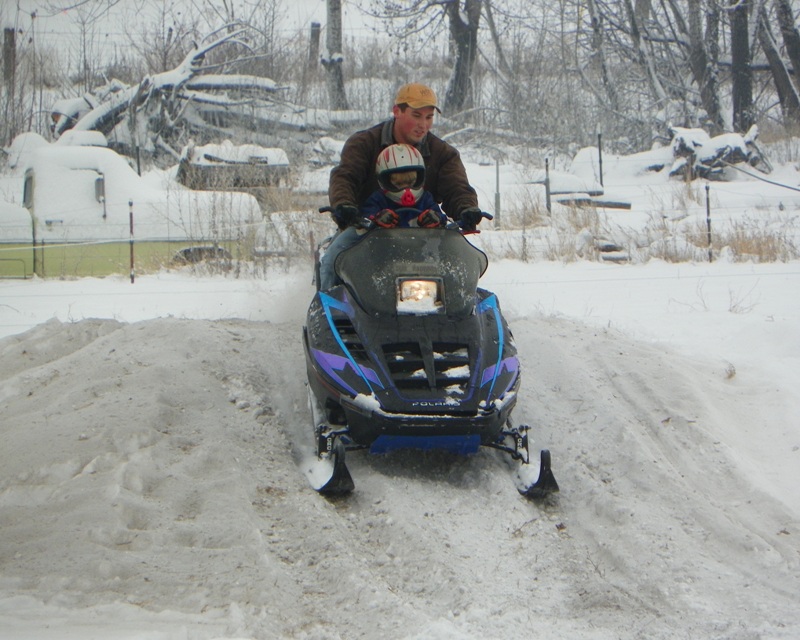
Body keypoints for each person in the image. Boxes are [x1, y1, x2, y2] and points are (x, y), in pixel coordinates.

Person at [319, 82, 484, 290]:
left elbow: (458, 187)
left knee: (459, 270)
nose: (423, 125)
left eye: (429, 117)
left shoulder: (443, 153)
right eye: (416, 116)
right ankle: (325, 306)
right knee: (332, 261)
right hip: (366, 230)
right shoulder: (363, 143)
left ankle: (462, 312)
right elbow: (345, 177)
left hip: (425, 234)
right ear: (397, 111)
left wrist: (467, 209)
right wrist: (344, 206)